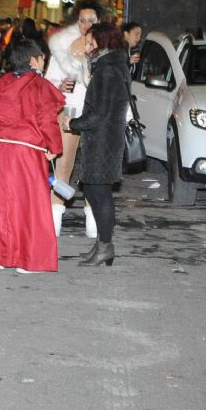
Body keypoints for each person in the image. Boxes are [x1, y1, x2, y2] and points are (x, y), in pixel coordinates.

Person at [0, 39, 66, 273]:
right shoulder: (39, 85)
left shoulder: (2, 83)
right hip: (28, 150)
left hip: (2, 149)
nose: (44, 61)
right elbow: (47, 119)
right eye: (42, 57)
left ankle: (1, 255)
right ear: (34, 59)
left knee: (4, 203)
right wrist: (54, 146)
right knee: (32, 204)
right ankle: (29, 259)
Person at [66, 23, 131, 267]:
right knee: (93, 190)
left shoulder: (108, 70)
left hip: (103, 140)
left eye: (92, 43)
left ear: (103, 43)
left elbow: (100, 113)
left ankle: (105, 246)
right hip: (103, 138)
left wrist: (73, 123)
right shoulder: (112, 65)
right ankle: (102, 245)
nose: (89, 47)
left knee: (100, 193)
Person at [44, 1, 104, 236]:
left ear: (99, 22)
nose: (86, 25)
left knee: (93, 168)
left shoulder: (106, 48)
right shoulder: (61, 47)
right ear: (76, 22)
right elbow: (47, 81)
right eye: (82, 20)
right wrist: (60, 85)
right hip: (68, 111)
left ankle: (93, 219)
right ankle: (55, 217)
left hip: (94, 113)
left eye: (91, 20)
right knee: (64, 165)